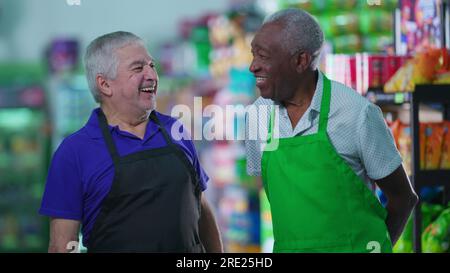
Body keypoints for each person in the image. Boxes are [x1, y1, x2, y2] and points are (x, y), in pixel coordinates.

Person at [245, 9, 418, 253]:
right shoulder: (257, 117)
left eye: (263, 56)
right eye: (254, 54)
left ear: (300, 61)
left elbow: (403, 198)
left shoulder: (356, 114)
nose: (253, 66)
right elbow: (275, 195)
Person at [39, 31, 223, 253]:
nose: (152, 75)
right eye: (138, 68)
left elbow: (200, 206)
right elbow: (62, 245)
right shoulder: (74, 153)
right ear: (105, 85)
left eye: (151, 65)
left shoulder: (176, 130)